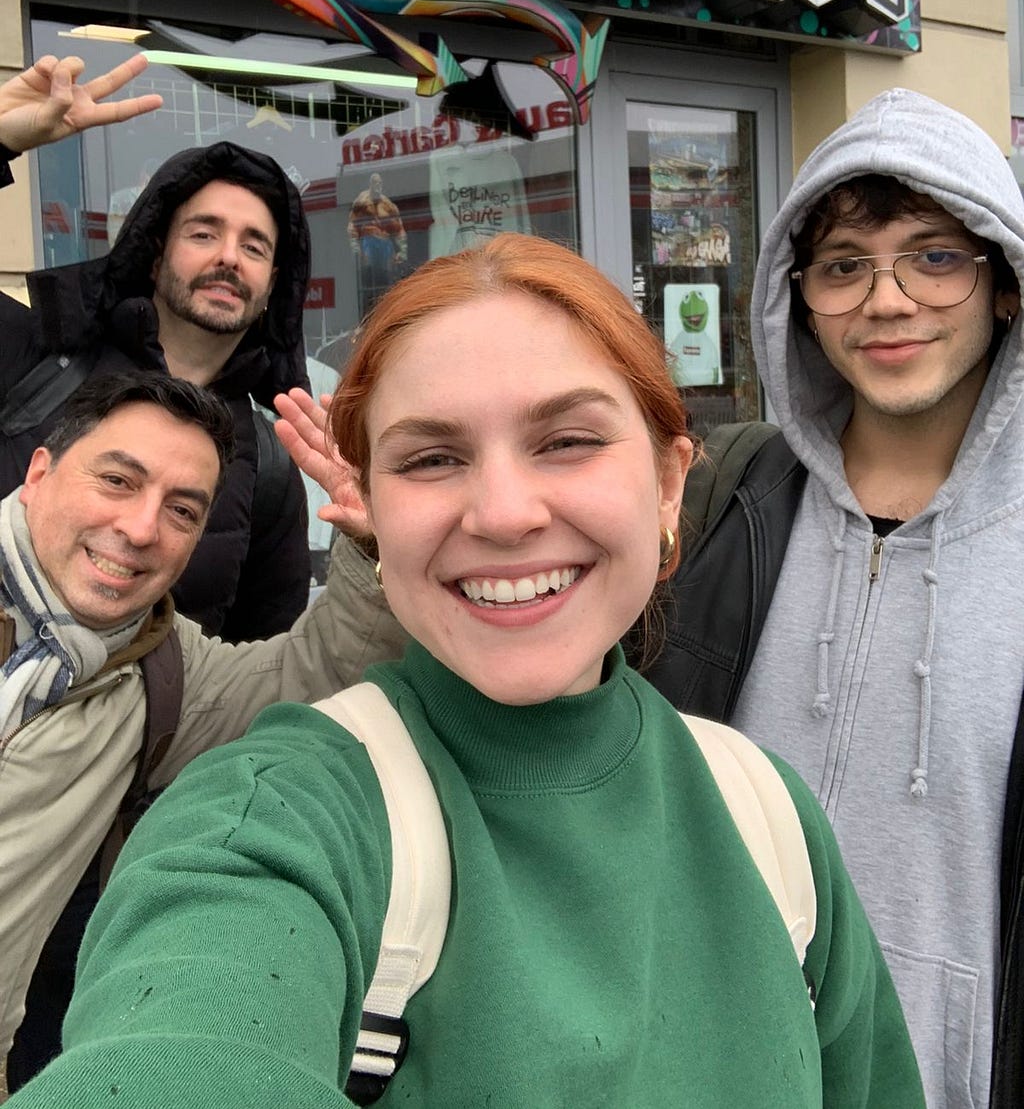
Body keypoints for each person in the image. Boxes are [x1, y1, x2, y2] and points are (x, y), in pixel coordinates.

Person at [10, 235, 924, 1107]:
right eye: (433, 458)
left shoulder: (770, 819)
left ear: (670, 484)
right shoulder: (270, 819)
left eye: (567, 439)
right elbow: (180, 1045)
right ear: (370, 507)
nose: (502, 512)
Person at [641, 90, 1024, 1109]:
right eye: (844, 265)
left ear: (1005, 286)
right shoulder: (731, 497)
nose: (885, 300)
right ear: (795, 296)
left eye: (934, 257)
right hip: (720, 1067)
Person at [0, 370, 390, 1084]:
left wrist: (373, 544)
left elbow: (319, 673)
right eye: (118, 481)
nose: (142, 528)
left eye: (182, 511)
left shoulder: (161, 670)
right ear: (38, 473)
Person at [0, 53, 312, 641]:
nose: (227, 257)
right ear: (154, 251)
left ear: (273, 286)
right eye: (203, 233)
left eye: (254, 247)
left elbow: (260, 666)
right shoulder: (33, 354)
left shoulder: (269, 466)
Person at [347, 170, 406, 314]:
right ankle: (369, 310)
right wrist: (355, 248)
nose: (377, 185)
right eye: (375, 183)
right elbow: (352, 225)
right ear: (370, 184)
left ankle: (386, 309)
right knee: (369, 282)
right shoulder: (362, 201)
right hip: (368, 242)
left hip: (385, 245)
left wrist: (402, 251)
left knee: (386, 283)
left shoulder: (388, 204)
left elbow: (399, 229)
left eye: (379, 183)